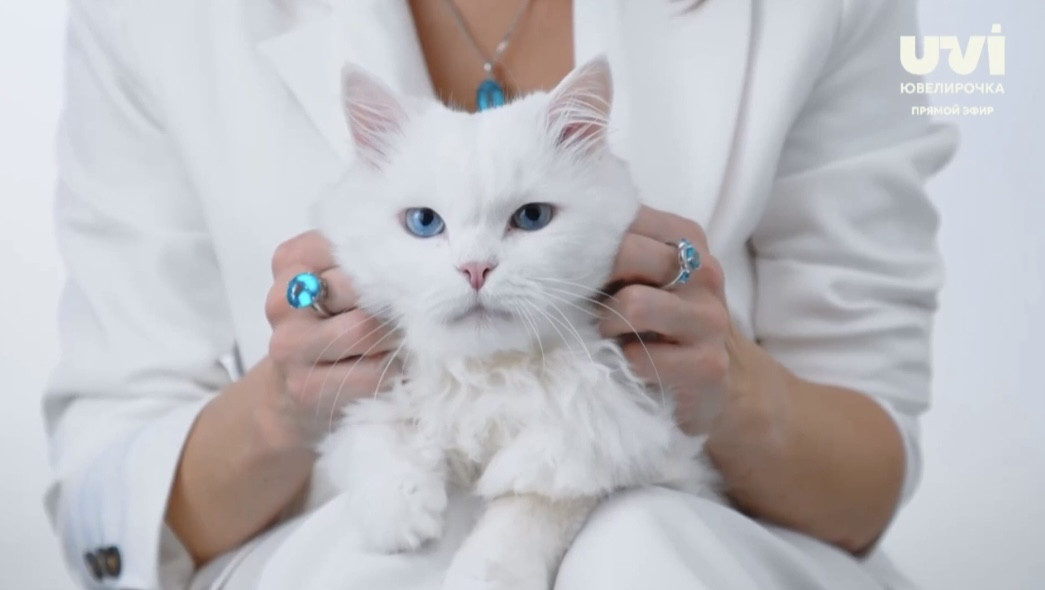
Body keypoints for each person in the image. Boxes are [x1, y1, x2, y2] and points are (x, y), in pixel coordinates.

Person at [42, 0, 957, 588]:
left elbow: (867, 471)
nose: (475, 267)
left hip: (693, 556)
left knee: (643, 550)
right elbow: (106, 490)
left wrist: (730, 392)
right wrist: (287, 408)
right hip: (330, 556)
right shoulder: (144, 18)